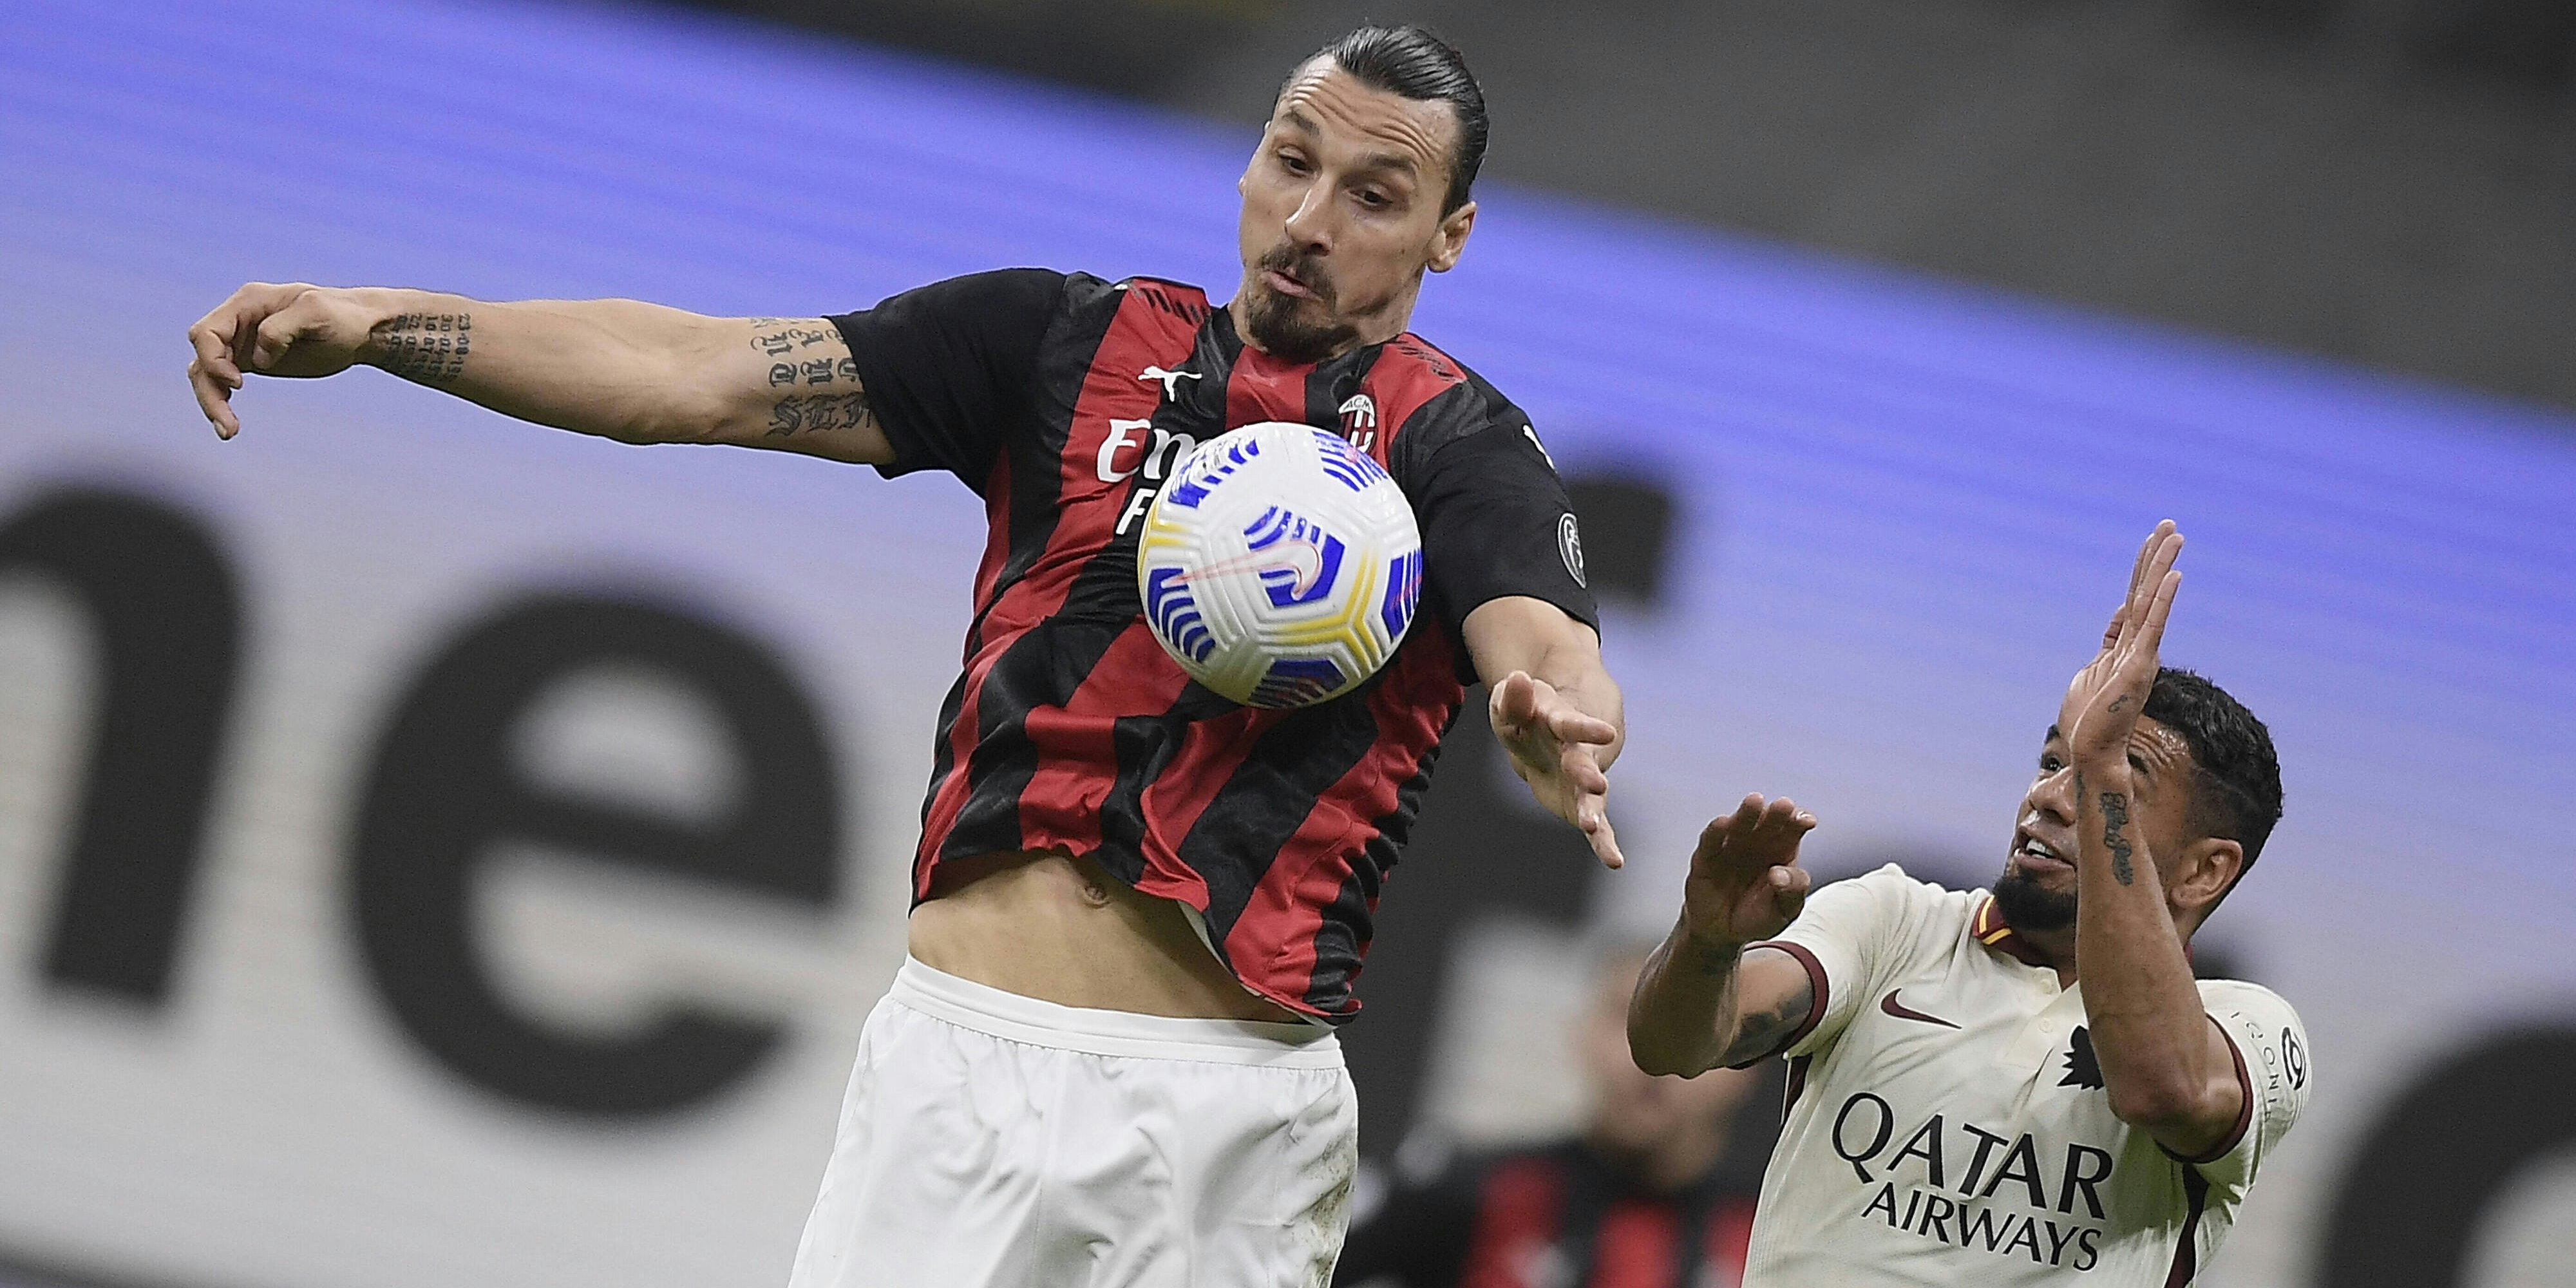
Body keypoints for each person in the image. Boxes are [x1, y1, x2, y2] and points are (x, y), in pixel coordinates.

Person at [185, 24, 1622, 1287]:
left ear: (1448, 235)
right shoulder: (1055, 342)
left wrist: (1551, 717)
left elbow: (1546, 644)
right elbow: (686, 374)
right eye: (1288, 162)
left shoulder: (1456, 449)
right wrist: (380, 323)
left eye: (1373, 195)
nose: (1306, 220)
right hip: (960, 1065)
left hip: (1230, 1110)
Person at [1626, 523, 2309, 1285]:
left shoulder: (2246, 1027)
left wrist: (2098, 770)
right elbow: (1673, 1048)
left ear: (2205, 870)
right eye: (2051, 761)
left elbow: (2162, 1089)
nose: (2051, 796)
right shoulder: (1895, 921)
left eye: (2109, 779)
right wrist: (1707, 943)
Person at [1335, 947, 1770, 1288]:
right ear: (1583, 1032)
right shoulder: (1470, 1188)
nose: (1655, 1059)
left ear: (1746, 1061)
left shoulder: (1774, 1232)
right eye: (1631, 1018)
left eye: (1692, 1028)